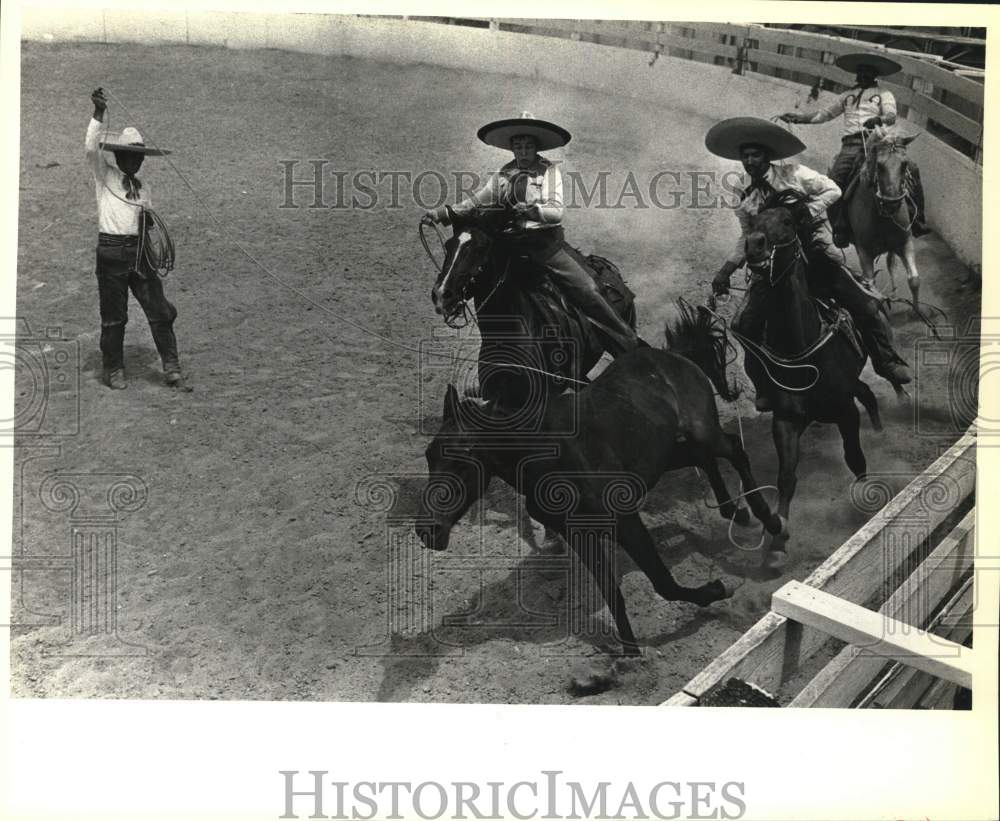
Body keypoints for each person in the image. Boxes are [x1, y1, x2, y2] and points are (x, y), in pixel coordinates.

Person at [707, 116, 911, 411]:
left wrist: (806, 211)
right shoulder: (742, 191)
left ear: (767, 156)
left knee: (864, 303)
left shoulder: (794, 173)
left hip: (810, 256)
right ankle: (764, 386)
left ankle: (886, 359)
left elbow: (834, 190)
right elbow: (747, 237)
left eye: (755, 155)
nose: (749, 161)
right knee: (743, 325)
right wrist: (728, 268)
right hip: (770, 270)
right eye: (745, 156)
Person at [423, 111, 641, 356]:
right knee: (474, 275)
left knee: (588, 289)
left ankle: (629, 344)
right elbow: (476, 201)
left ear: (536, 148)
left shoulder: (548, 172)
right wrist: (443, 213)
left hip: (545, 247)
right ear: (512, 149)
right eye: (518, 146)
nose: (523, 151)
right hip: (510, 246)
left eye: (528, 146)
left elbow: (556, 212)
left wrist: (532, 210)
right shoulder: (504, 173)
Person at [86, 87, 184, 390]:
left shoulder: (143, 189)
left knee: (159, 310)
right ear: (119, 156)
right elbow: (91, 147)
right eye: (130, 156)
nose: (135, 162)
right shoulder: (104, 176)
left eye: (139, 158)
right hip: (112, 253)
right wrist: (99, 113)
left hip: (140, 254)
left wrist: (148, 229)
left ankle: (171, 366)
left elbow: (146, 224)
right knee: (114, 317)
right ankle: (113, 369)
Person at [779, 52, 928, 246]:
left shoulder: (884, 94)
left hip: (878, 142)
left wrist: (879, 119)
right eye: (861, 71)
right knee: (835, 181)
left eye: (869, 72)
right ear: (857, 74)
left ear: (875, 74)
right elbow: (824, 115)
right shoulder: (846, 96)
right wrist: (798, 117)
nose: (864, 75)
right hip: (851, 145)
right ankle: (841, 225)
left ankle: (918, 220)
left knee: (911, 169)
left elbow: (891, 116)